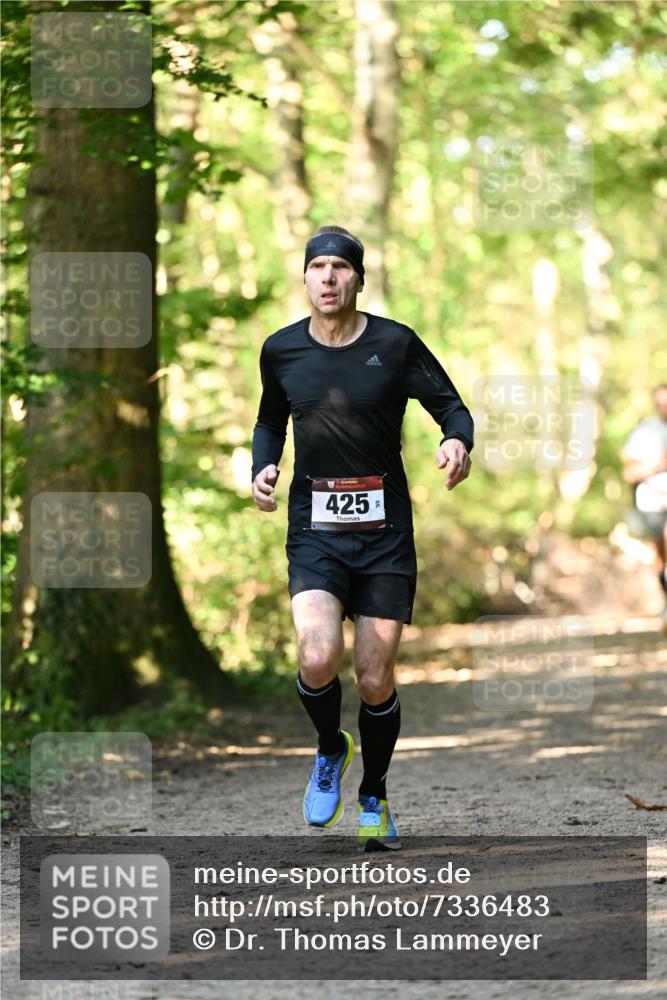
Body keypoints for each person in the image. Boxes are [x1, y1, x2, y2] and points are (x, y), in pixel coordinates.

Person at [251, 225, 473, 851]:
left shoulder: (394, 343)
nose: (327, 277)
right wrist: (261, 466)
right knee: (317, 657)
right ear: (304, 278)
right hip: (315, 531)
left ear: (358, 277)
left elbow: (452, 407)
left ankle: (374, 793)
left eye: (339, 268)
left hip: (384, 537)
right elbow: (270, 420)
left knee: (375, 677)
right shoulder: (282, 350)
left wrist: (456, 440)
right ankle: (330, 747)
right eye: (316, 267)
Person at [622, 384, 667, 626]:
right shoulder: (645, 431)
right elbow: (629, 473)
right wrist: (657, 465)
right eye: (660, 404)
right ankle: (665, 597)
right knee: (660, 553)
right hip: (652, 501)